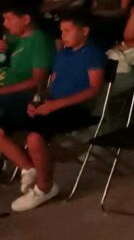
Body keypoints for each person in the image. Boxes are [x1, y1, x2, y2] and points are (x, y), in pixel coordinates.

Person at [0, 13, 105, 211]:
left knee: (34, 138)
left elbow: (94, 89)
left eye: (67, 31)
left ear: (84, 31)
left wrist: (55, 106)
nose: (62, 36)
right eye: (61, 31)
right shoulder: (63, 54)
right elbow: (53, 85)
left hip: (75, 109)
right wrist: (38, 100)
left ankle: (44, 187)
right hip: (53, 105)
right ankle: (28, 168)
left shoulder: (92, 54)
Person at [0, 2, 53, 131]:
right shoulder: (15, 37)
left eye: (8, 19)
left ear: (26, 19)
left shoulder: (39, 42)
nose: (5, 24)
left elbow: (38, 82)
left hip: (23, 96)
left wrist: (2, 91)